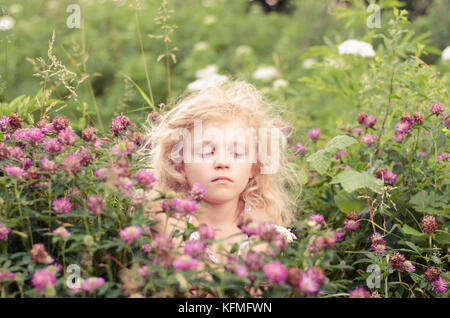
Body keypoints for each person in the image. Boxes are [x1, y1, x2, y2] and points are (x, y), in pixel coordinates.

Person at [138, 80, 301, 267]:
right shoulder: (166, 212)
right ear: (180, 165)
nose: (222, 162)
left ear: (253, 167)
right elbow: (196, 281)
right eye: (207, 152)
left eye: (237, 153)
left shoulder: (264, 215)